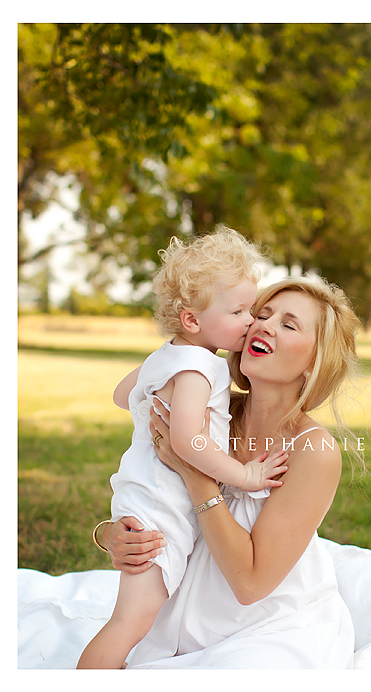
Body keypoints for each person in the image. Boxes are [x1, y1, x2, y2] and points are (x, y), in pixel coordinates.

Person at [91, 274, 362, 668]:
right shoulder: (205, 407)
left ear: (313, 363)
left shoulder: (313, 450)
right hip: (174, 617)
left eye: (287, 324)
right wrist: (115, 535)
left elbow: (250, 584)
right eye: (261, 313)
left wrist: (197, 477)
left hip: (265, 627)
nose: (264, 324)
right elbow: (151, 488)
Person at [79, 228, 288, 669]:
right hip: (162, 510)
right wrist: (244, 475)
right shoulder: (199, 368)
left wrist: (158, 372)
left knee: (132, 618)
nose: (251, 320)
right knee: (130, 623)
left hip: (143, 495)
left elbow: (121, 396)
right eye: (238, 311)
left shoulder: (168, 357)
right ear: (193, 321)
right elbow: (185, 441)